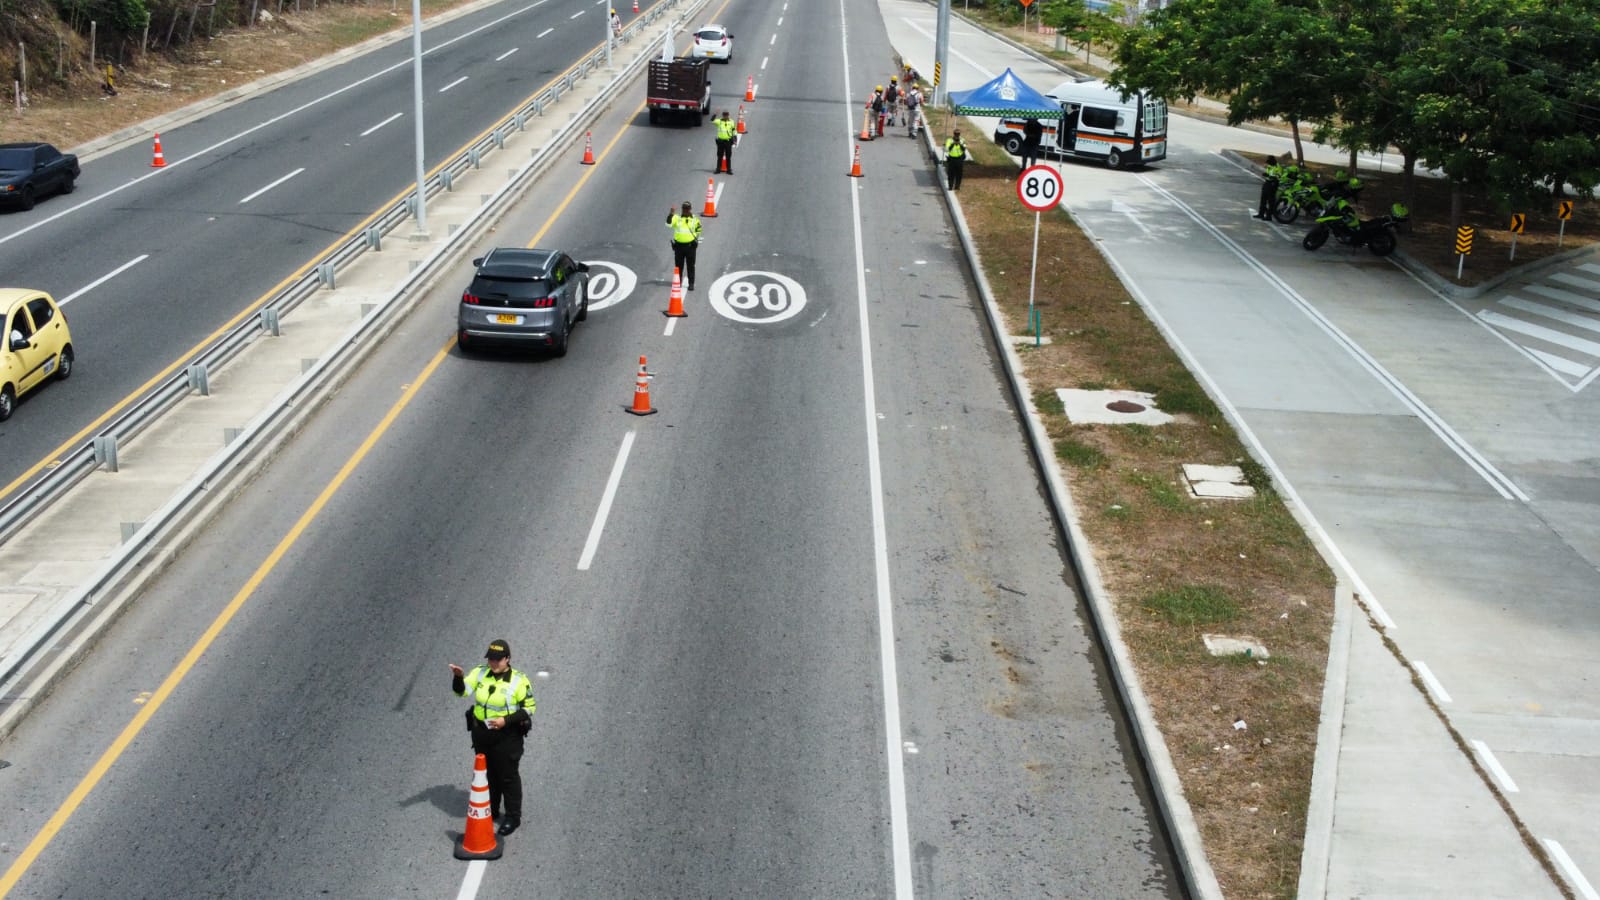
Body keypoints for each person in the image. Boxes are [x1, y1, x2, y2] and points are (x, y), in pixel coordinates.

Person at [450, 639, 535, 837]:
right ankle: (492, 809)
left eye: (498, 659)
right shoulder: (480, 672)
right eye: (491, 659)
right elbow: (461, 692)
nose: (493, 663)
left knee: (507, 776)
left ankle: (513, 817)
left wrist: (506, 720)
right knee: (488, 774)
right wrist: (458, 678)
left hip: (507, 736)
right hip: (482, 733)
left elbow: (529, 708)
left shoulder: (519, 680)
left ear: (507, 659)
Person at [666, 201, 703, 290]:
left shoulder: (695, 219)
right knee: (678, 266)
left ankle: (691, 283)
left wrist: (695, 239)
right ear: (682, 209)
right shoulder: (676, 218)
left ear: (690, 209)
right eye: (684, 209)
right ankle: (678, 282)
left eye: (687, 209)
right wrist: (671, 214)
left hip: (690, 247)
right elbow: (668, 224)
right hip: (679, 247)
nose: (685, 210)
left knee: (691, 266)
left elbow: (699, 230)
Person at [1255, 155, 1280, 219]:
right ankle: (1261, 214)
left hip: (1273, 184)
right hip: (1267, 182)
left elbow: (1278, 176)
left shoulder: (1277, 167)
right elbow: (1268, 172)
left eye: (1269, 162)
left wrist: (1270, 176)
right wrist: (1266, 175)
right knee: (1263, 199)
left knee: (1270, 201)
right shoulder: (1270, 166)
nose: (1268, 164)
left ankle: (1269, 216)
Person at [714, 109, 737, 174]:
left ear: (728, 115)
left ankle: (729, 170)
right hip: (720, 141)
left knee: (728, 156)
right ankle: (718, 169)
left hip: (728, 141)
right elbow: (712, 120)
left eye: (726, 115)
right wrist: (715, 114)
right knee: (719, 156)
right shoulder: (719, 121)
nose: (725, 116)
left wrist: (735, 140)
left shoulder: (731, 122)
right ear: (722, 115)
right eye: (724, 115)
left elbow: (734, 131)